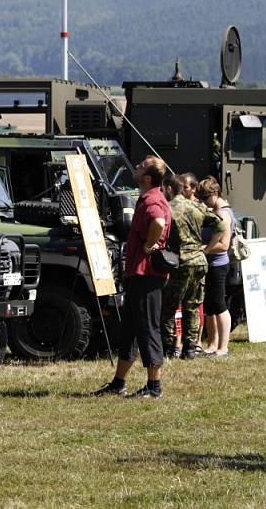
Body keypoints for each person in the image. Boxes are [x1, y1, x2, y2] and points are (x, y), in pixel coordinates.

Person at [94, 155, 172, 399]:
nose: (135, 169)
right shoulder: (148, 197)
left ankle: (154, 387)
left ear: (147, 178)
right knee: (129, 329)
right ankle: (119, 383)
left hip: (147, 275)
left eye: (139, 167)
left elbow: (158, 222)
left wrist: (150, 245)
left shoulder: (153, 200)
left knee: (148, 328)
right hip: (138, 275)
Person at [160, 175, 222, 359]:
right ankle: (190, 347)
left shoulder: (168, 208)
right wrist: (208, 248)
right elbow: (220, 224)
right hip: (198, 260)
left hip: (180, 261)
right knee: (193, 306)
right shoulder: (197, 206)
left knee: (170, 305)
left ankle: (169, 347)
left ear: (170, 189)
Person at [197, 176, 233, 358]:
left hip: (218, 264)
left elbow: (224, 245)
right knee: (210, 306)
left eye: (205, 198)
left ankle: (223, 347)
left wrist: (204, 249)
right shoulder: (214, 210)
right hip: (210, 263)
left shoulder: (223, 214)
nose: (203, 202)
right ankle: (212, 344)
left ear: (216, 194)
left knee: (219, 305)